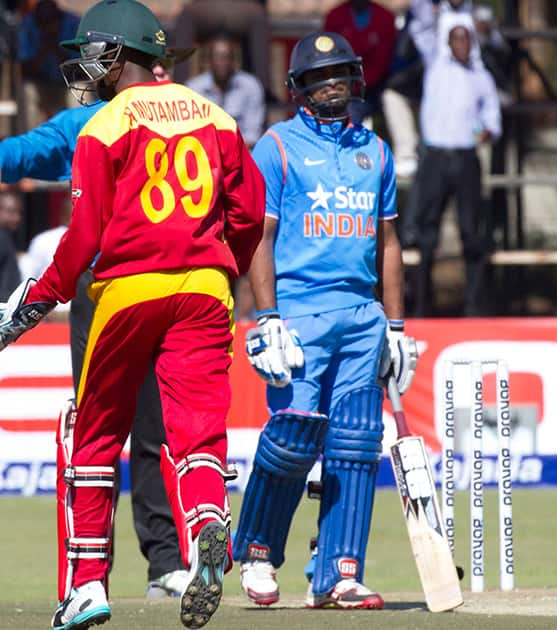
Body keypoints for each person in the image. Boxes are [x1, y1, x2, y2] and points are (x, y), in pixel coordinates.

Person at [0, 1, 265, 627]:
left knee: (93, 436)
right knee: (198, 434)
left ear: (117, 57)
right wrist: (219, 267)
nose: (86, 66)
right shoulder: (218, 116)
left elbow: (81, 240)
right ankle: (207, 527)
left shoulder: (102, 124)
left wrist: (28, 308)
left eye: (93, 55)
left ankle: (88, 585)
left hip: (123, 292)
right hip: (206, 293)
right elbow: (251, 214)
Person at [0, 47, 198, 602]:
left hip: (166, 288)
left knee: (156, 431)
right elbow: (34, 146)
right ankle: (89, 572)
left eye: (166, 65)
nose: (162, 74)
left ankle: (165, 563)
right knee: (97, 432)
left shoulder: (191, 117)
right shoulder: (89, 121)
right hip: (101, 294)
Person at [230, 32, 418, 610]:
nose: (332, 82)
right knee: (292, 435)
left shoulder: (376, 151)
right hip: (299, 314)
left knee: (356, 444)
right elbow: (258, 239)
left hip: (363, 316)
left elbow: (388, 242)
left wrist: (396, 327)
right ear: (299, 87)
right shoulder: (277, 147)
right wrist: (265, 319)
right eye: (319, 75)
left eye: (340, 73)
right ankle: (258, 552)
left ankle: (338, 572)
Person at [409, 22, 500, 316]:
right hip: (435, 157)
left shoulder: (481, 77)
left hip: (465, 157)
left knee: (472, 233)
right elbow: (421, 26)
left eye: (465, 40)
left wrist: (486, 132)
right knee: (427, 234)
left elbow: (492, 117)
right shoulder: (435, 66)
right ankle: (423, 305)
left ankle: (474, 307)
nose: (461, 45)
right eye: (455, 40)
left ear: (471, 43)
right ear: (448, 43)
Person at [322, 0, 397, 125]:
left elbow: (383, 61)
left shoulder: (384, 17)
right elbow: (330, 57)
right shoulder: (335, 16)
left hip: (378, 86)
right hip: (343, 84)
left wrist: (360, 84)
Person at [185, 35, 266, 147]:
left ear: (233, 60)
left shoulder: (250, 86)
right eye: (218, 57)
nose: (222, 62)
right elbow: (190, 131)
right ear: (209, 60)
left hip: (241, 153)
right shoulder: (194, 89)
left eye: (226, 57)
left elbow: (253, 133)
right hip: (205, 154)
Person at [17, 0, 81, 129]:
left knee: (80, 92)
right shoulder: (27, 24)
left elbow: (80, 69)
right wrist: (43, 49)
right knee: (28, 91)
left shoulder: (73, 23)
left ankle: (80, 142)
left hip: (67, 85)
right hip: (42, 83)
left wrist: (56, 49)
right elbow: (24, 70)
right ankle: (31, 144)